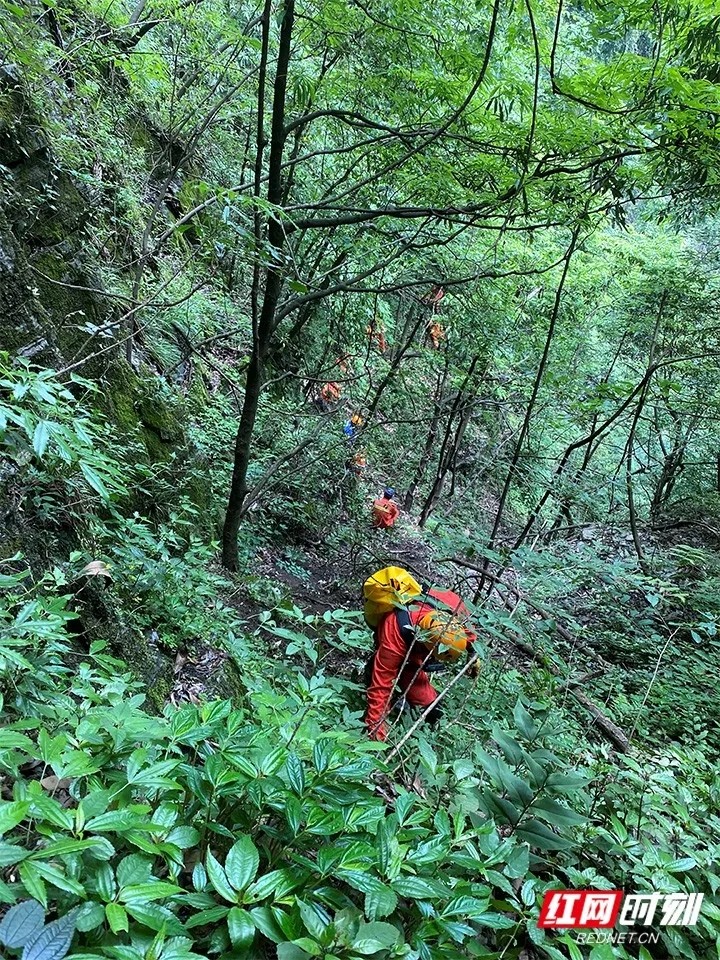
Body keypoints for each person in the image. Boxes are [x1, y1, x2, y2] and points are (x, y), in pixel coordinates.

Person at [364, 586, 478, 741]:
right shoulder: (393, 640)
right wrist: (376, 731)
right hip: (399, 640)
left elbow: (469, 628)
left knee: (430, 705)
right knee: (382, 678)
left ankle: (433, 725)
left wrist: (473, 652)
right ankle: (372, 674)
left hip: (416, 645)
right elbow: (381, 686)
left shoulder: (451, 604)